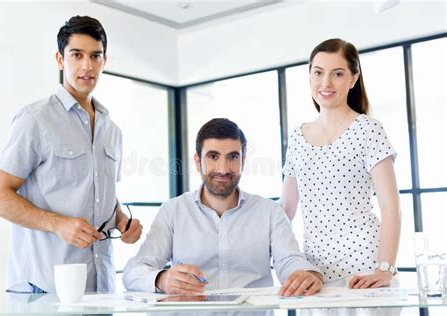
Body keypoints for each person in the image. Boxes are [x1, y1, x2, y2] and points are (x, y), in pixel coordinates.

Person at [0, 15, 142, 294]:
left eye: (96, 56)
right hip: (43, 288)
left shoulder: (112, 130)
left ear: (104, 61)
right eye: (77, 55)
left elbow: (102, 194)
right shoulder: (34, 119)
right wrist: (58, 225)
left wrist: (121, 220)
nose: (87, 65)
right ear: (60, 60)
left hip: (100, 287)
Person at [123, 118, 323, 296]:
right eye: (213, 156)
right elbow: (135, 271)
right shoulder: (173, 211)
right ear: (197, 161)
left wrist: (307, 275)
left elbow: (290, 260)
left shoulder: (269, 212)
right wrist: (161, 279)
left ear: (243, 161)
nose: (223, 169)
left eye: (233, 157)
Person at [280, 38, 401, 289]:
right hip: (315, 274)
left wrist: (384, 269)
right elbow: (286, 209)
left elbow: (391, 207)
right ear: (309, 77)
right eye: (318, 73)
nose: (326, 83)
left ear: (353, 79)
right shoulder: (297, 136)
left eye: (337, 74)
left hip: (365, 268)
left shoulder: (368, 129)